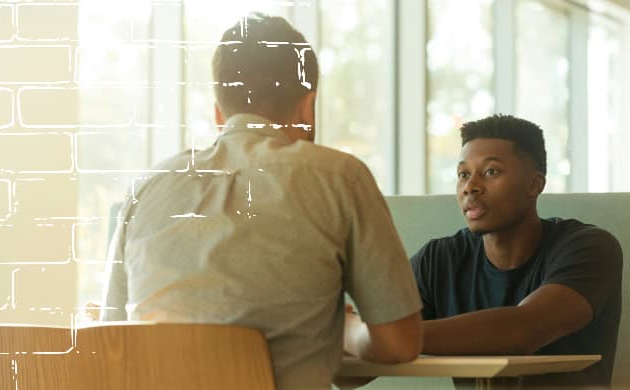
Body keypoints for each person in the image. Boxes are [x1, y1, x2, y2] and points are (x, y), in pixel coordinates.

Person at [100, 13, 422, 389]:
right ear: (308, 106)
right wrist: (348, 330)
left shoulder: (148, 187)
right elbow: (399, 344)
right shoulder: (340, 177)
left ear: (219, 113)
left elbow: (111, 339)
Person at [410, 114, 622, 388]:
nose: (470, 187)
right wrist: (355, 335)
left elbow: (522, 331)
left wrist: (385, 337)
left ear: (534, 184)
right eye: (463, 174)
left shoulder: (589, 248)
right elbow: (352, 376)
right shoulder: (439, 260)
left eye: (490, 172)